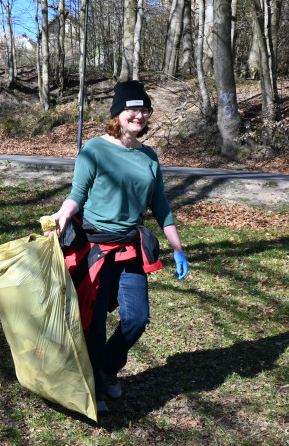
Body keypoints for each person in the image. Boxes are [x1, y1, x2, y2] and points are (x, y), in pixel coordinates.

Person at [47, 80, 188, 414]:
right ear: (118, 113)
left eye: (144, 109)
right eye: (132, 109)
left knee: (137, 318)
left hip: (129, 247)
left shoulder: (149, 157)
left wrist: (178, 248)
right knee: (93, 324)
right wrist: (62, 216)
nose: (138, 115)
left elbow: (161, 206)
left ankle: (107, 368)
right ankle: (93, 383)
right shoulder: (95, 150)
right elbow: (77, 195)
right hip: (94, 247)